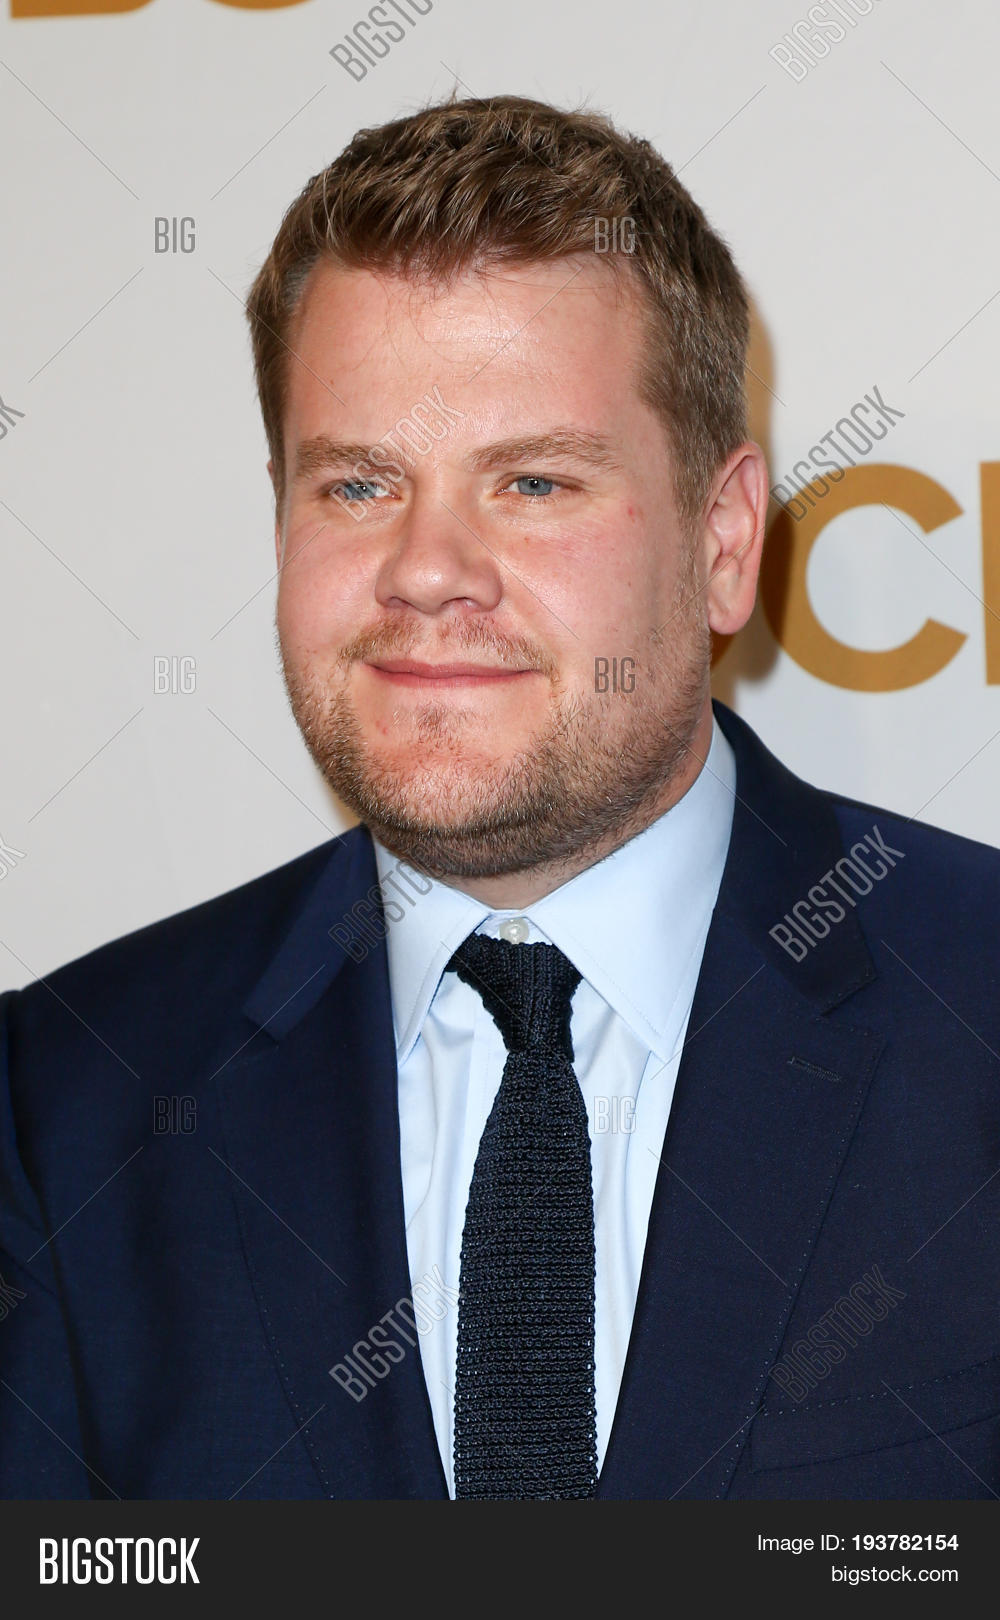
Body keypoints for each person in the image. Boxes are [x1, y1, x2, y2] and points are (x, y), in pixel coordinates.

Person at [2, 93, 999, 1502]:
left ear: (723, 544)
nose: (426, 570)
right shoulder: (65, 1103)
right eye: (356, 485)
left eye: (532, 482)